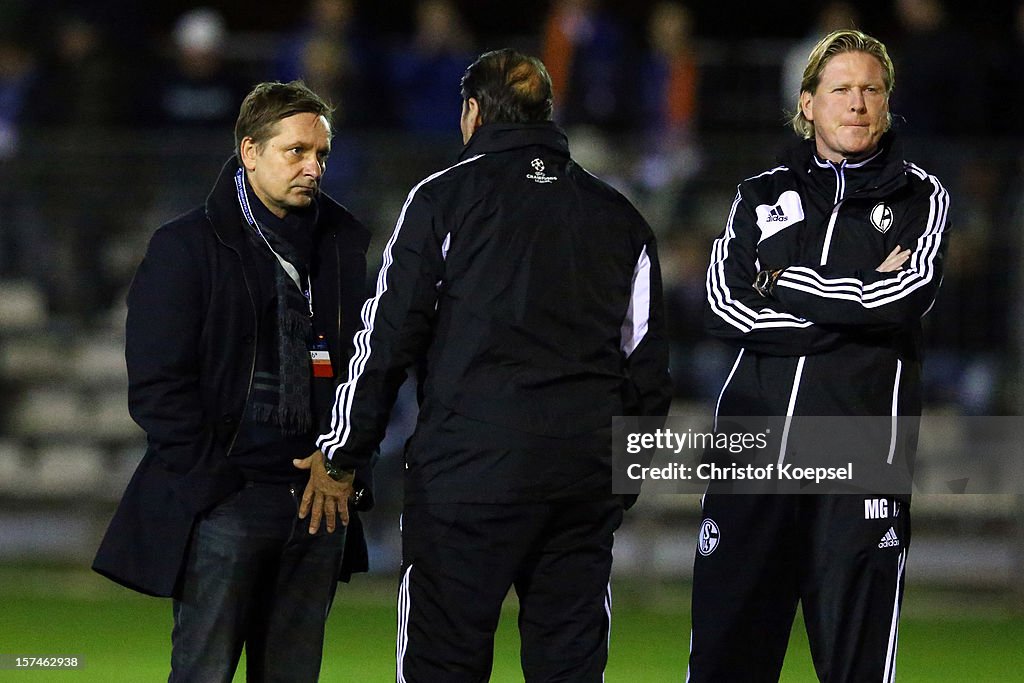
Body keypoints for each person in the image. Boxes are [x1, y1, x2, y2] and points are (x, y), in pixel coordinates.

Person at [314, 48, 672, 681]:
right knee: (570, 669)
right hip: (580, 483)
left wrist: (344, 456)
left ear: (472, 112)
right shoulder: (621, 219)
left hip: (466, 478)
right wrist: (618, 484)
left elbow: (386, 341)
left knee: (442, 665)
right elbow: (647, 372)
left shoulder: (443, 200)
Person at [92, 80, 373, 682]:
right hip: (228, 497)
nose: (313, 167)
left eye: (321, 154)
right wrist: (211, 486)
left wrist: (346, 466)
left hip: (318, 498)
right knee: (204, 674)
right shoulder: (186, 245)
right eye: (295, 152)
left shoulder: (345, 244)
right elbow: (157, 383)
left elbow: (364, 366)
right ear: (249, 152)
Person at [693, 29, 950, 682]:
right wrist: (851, 309)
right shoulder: (758, 193)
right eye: (841, 89)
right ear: (806, 103)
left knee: (856, 665)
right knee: (726, 661)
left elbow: (904, 295)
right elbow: (726, 304)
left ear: (888, 103)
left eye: (871, 89)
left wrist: (782, 281)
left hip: (861, 452)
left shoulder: (922, 197)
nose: (857, 103)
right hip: (753, 451)